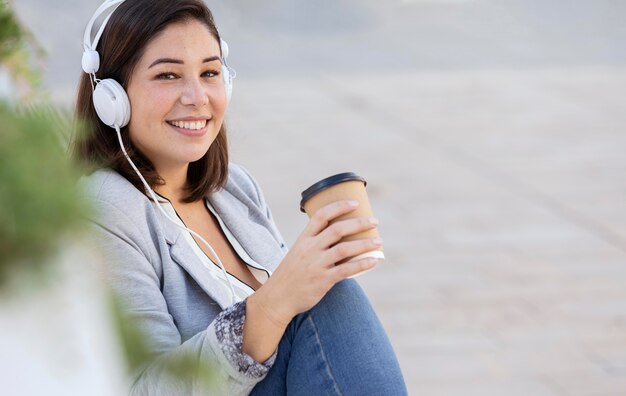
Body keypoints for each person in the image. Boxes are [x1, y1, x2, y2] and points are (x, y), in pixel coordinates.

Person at [72, 0, 407, 394]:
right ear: (111, 98)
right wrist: (275, 303)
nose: (197, 96)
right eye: (167, 75)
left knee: (330, 292)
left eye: (210, 72)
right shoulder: (104, 208)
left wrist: (314, 268)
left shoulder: (233, 188)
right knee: (328, 303)